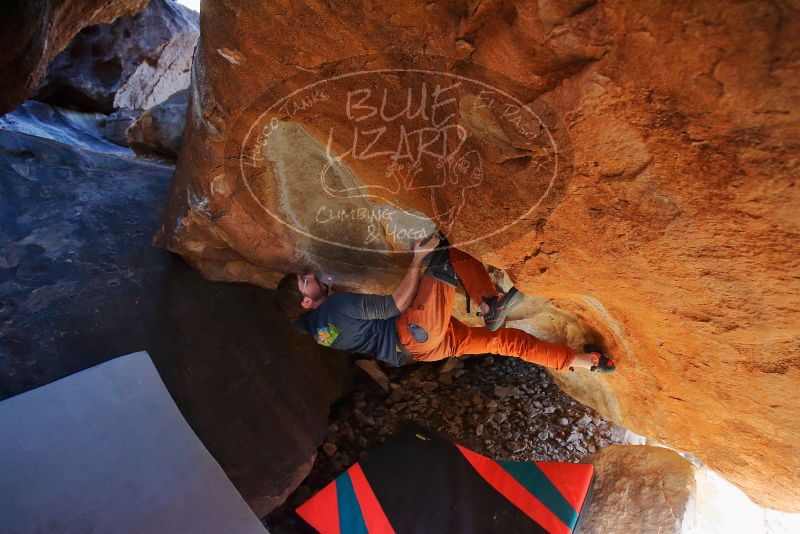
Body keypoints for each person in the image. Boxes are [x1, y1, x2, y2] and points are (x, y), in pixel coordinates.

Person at [276, 232, 616, 373]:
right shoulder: (335, 308)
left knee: (503, 342)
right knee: (442, 258)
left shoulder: (319, 331)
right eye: (306, 282)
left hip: (422, 348)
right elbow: (394, 305)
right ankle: (489, 305)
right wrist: (416, 259)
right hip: (413, 329)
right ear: (307, 302)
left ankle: (589, 362)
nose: (312, 276)